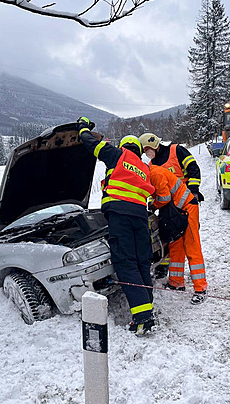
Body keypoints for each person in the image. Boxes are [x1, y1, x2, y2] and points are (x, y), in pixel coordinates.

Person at [77, 117, 156, 336]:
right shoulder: (143, 167)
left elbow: (89, 142)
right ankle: (147, 312)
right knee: (141, 264)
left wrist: (83, 125)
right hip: (140, 217)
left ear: (123, 146)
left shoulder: (118, 155)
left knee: (125, 264)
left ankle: (142, 319)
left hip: (120, 216)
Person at [139, 132, 203, 279]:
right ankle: (175, 280)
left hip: (185, 203)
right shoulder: (152, 165)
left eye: (147, 149)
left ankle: (200, 287)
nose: (146, 153)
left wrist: (194, 191)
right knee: (173, 243)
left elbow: (194, 169)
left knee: (191, 243)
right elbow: (155, 190)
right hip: (168, 208)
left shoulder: (177, 151)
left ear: (154, 145)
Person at [148, 164, 208, 304]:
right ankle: (176, 282)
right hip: (176, 211)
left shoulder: (155, 174)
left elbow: (164, 198)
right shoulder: (152, 174)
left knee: (192, 246)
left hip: (188, 209)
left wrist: (153, 206)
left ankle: (200, 289)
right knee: (175, 245)